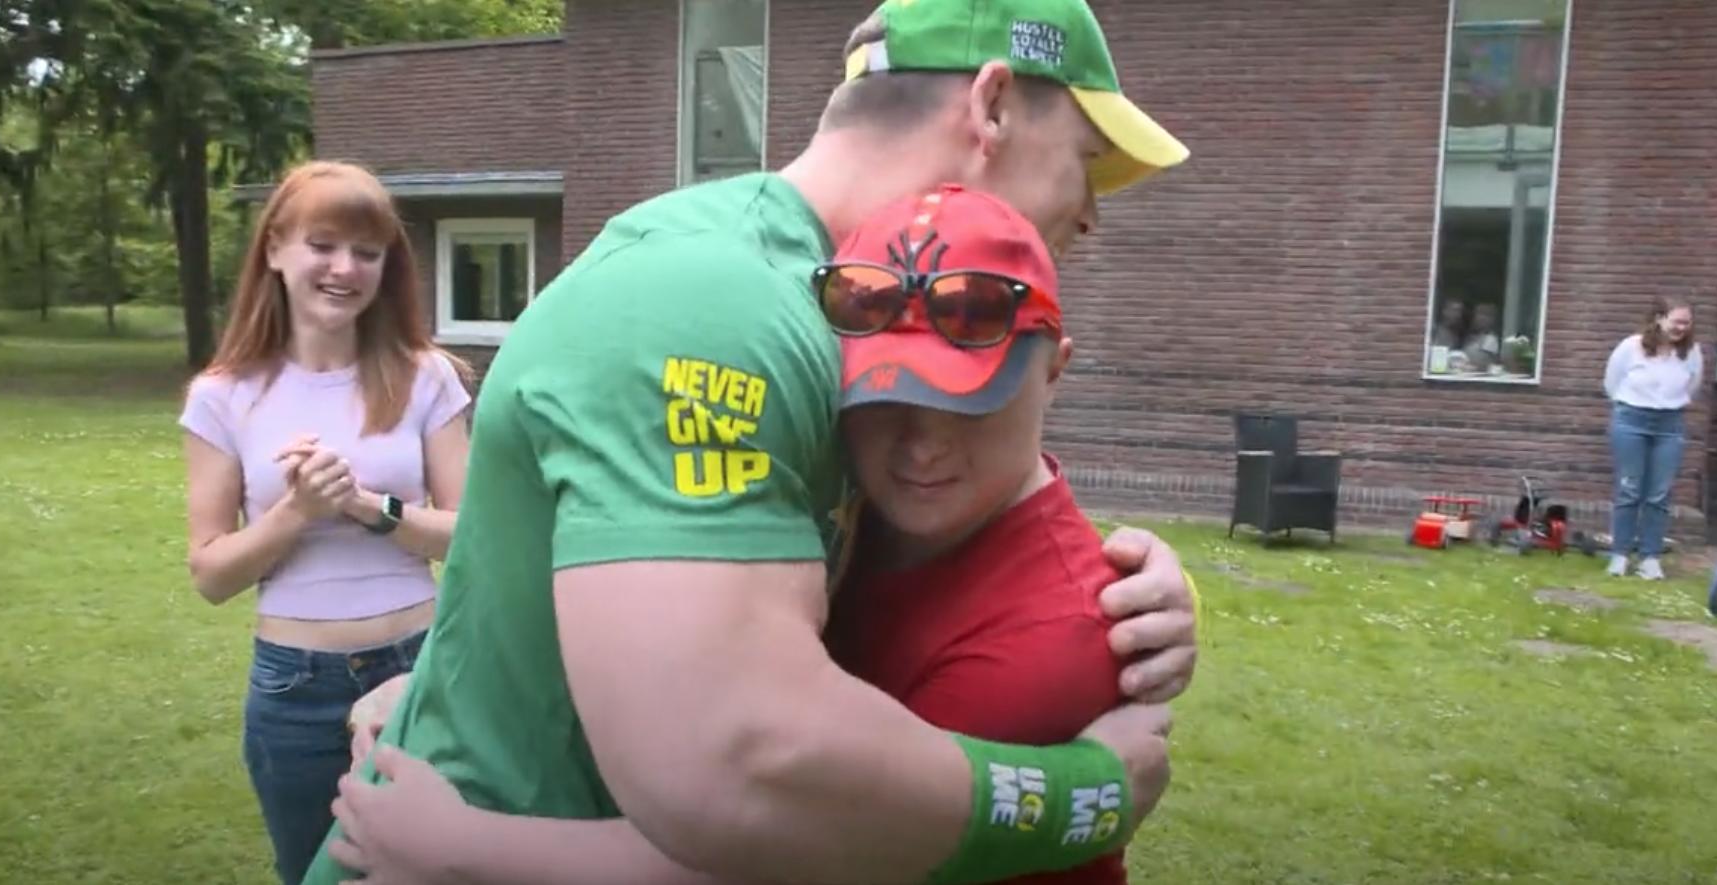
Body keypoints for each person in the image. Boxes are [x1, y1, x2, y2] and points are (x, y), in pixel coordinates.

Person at [300, 1, 1199, 882]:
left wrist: (1115, 580)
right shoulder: (711, 303)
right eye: (1083, 163)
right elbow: (742, 765)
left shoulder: (815, 305)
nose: (1087, 216)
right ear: (991, 108)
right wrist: (1092, 791)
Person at [178, 160, 474, 884]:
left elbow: (476, 537)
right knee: (316, 870)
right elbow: (212, 573)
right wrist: (298, 510)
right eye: (323, 244)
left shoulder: (425, 376)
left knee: (439, 868)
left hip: (421, 666)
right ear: (275, 248)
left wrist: (371, 509)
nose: (345, 268)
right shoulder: (223, 395)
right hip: (294, 690)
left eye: (367, 252)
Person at [1602, 295, 1703, 581]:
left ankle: (1650, 557)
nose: (1681, 327)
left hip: (1669, 424)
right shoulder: (1631, 347)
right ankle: (1620, 555)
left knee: (1659, 494)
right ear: (1659, 318)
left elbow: (1692, 387)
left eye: (1686, 322)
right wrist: (1634, 405)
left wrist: (1667, 404)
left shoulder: (1691, 352)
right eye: (1676, 321)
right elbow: (1612, 383)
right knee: (1629, 489)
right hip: (1631, 420)